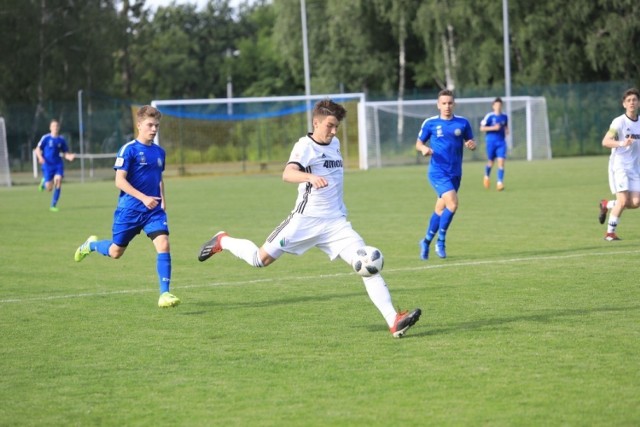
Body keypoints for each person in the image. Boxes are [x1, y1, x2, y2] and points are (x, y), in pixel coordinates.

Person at [197, 99, 421, 338]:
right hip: (304, 221)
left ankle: (394, 321)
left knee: (366, 264)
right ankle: (223, 240)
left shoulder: (334, 143)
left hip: (336, 224)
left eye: (337, 127)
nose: (334, 131)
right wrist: (309, 177)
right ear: (316, 122)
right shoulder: (305, 146)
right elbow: (287, 173)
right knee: (259, 260)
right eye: (330, 125)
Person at [74, 105, 180, 308]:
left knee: (164, 244)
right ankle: (91, 245)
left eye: (156, 125)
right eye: (150, 125)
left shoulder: (160, 152)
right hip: (129, 210)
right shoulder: (128, 150)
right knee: (116, 252)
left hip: (153, 211)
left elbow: (159, 178)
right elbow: (119, 181)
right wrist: (142, 198)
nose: (154, 129)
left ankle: (165, 294)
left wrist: (163, 199)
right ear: (139, 125)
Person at [416, 89, 477, 260]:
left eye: (450, 103)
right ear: (438, 105)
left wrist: (472, 145)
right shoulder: (430, 123)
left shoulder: (463, 123)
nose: (447, 106)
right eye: (444, 103)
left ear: (454, 104)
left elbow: (470, 142)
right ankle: (441, 241)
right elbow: (418, 143)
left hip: (455, 173)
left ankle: (426, 241)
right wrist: (424, 149)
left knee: (440, 209)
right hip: (437, 172)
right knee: (453, 204)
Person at [597, 87, 640, 241]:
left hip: (635, 168)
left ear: (639, 103)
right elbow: (605, 141)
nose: (632, 103)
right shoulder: (619, 121)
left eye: (634, 100)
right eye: (628, 100)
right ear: (624, 104)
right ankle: (610, 234)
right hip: (619, 166)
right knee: (622, 201)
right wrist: (622, 142)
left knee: (635, 202)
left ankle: (606, 204)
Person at [34, 119, 75, 211]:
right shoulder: (46, 138)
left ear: (59, 128)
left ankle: (53, 205)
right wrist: (40, 157)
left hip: (58, 164)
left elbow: (65, 153)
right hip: (47, 164)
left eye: (57, 126)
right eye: (53, 126)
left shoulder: (61, 140)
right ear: (50, 127)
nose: (55, 128)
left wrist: (69, 157)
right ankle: (44, 183)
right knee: (49, 188)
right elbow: (37, 149)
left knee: (58, 182)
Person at [480, 97, 509, 191]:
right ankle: (486, 176)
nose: (498, 107)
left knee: (501, 162)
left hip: (501, 142)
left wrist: (507, 131)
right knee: (491, 162)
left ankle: (499, 183)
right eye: (496, 105)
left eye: (500, 105)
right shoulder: (489, 116)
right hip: (491, 142)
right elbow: (482, 128)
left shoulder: (504, 116)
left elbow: (506, 127)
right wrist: (493, 128)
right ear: (493, 106)